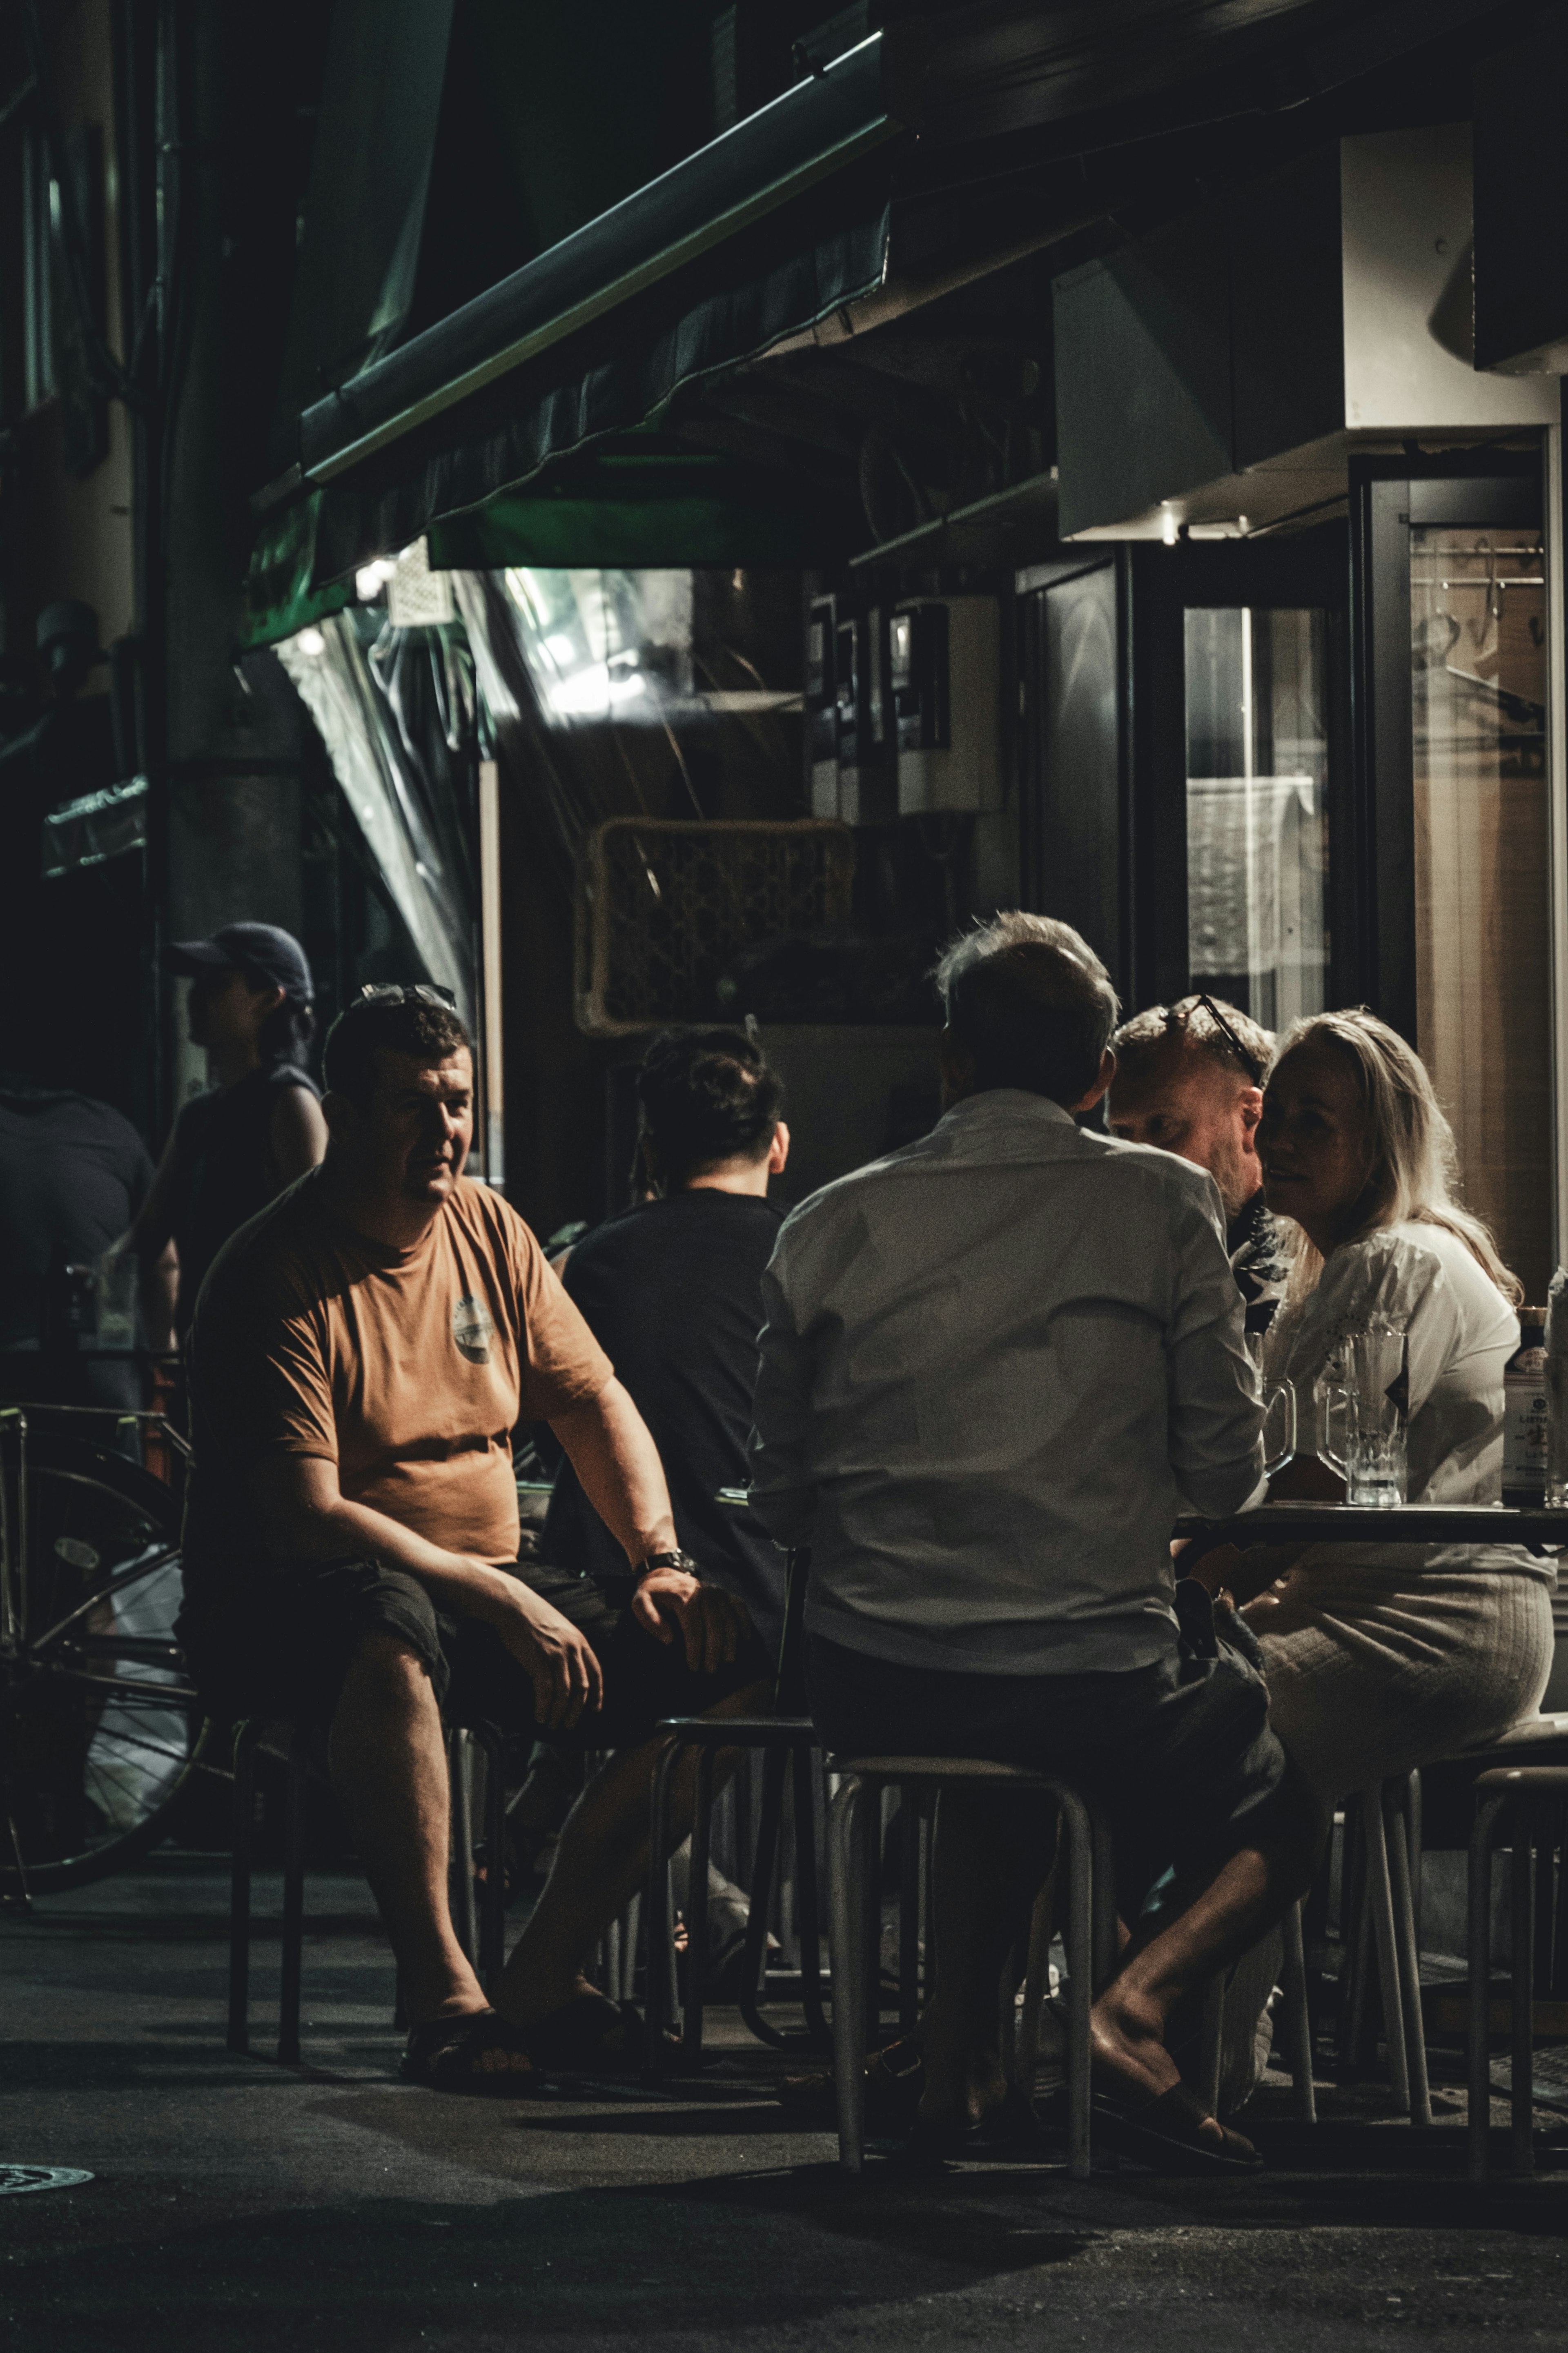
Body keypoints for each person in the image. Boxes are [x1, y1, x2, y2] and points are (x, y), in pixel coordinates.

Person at [749, 911, 1315, 2172]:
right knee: (1277, 1795)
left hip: (871, 1682)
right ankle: (1123, 2014)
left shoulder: (824, 1225)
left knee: (991, 1736)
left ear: (948, 1061)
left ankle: (957, 2070)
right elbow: (1225, 1476)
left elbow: (779, 1497)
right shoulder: (1164, 1205)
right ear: (1099, 1078)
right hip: (1082, 1686)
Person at [178, 985, 770, 2092]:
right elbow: (310, 1516)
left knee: (726, 1659)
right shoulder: (275, 1271)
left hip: (484, 1577)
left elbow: (594, 1402)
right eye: (414, 1104)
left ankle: (546, 1968)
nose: (445, 1129)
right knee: (386, 1625)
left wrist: (661, 1563)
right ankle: (442, 1989)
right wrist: (501, 1599)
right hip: (292, 1597)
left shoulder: (487, 1227)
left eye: (457, 1102)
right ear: (344, 1114)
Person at [1231, 1009, 1555, 1802]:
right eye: (1274, 1117)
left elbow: (1309, 1486)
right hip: (1368, 1608)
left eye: (1315, 1123)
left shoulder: (1393, 1260)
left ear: (1381, 1143)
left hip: (1429, 1625)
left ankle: (1161, 1929)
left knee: (1160, 1708)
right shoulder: (1345, 1271)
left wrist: (1172, 1585)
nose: (1279, 1141)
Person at [541, 1026, 791, 1650]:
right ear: (779, 1145)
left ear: (650, 1152)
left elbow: (550, 1437)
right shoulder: (813, 1258)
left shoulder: (574, 1266)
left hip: (599, 1610)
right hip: (765, 1611)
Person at [126, 923, 327, 1345]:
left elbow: (316, 1250)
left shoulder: (290, 1103)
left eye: (217, 985)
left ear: (270, 1000)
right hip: (204, 1359)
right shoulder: (198, 1115)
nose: (194, 999)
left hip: (268, 1360)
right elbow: (148, 1237)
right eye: (196, 985)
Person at [0, 1072, 174, 1414]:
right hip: (108, 1368)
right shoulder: (115, 1128)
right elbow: (165, 1262)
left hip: (10, 1372)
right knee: (114, 1463)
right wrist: (160, 1354)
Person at [1107, 995, 1287, 1323]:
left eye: (1162, 1126)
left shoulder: (1302, 1279)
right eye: (1121, 1134)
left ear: (1250, 1117)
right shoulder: (1116, 1266)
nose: (1135, 1158)